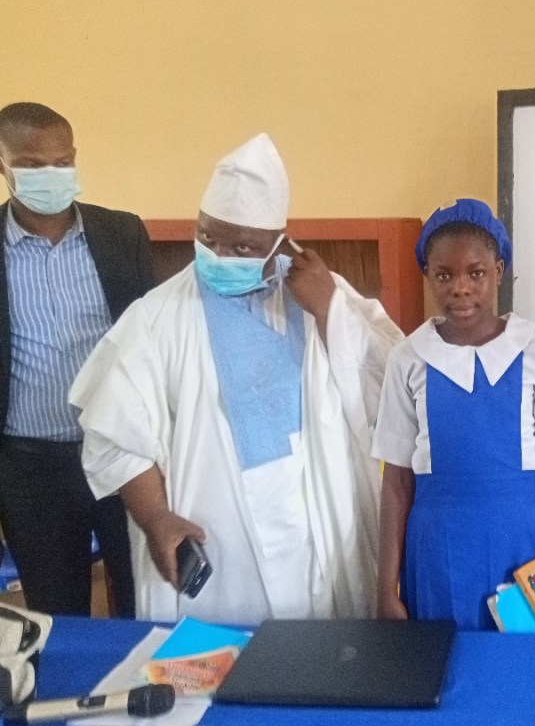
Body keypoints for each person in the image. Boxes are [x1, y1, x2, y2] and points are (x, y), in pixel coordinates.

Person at [69, 133, 403, 625]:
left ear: (279, 242)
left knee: (327, 653)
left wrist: (330, 310)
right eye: (208, 238)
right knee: (223, 659)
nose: (220, 254)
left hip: (321, 529)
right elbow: (116, 438)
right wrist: (156, 518)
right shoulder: (156, 318)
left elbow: (394, 388)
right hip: (219, 542)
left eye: (243, 246)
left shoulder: (321, 293)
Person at [373, 199, 535, 632]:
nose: (461, 288)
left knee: (522, 661)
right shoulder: (409, 358)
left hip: (524, 546)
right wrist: (385, 588)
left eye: (476, 273)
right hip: (437, 551)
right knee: (445, 661)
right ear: (427, 275)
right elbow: (396, 482)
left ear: (499, 270)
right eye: (444, 275)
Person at [0, 102, 153, 618]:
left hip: (123, 451)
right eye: (32, 164)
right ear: (4, 164)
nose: (51, 174)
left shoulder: (121, 234)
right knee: (56, 613)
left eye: (62, 162)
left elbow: (153, 340)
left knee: (142, 600)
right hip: (29, 468)